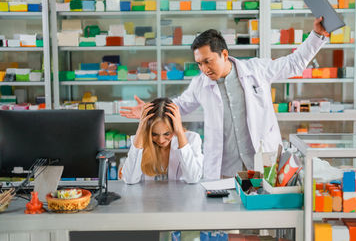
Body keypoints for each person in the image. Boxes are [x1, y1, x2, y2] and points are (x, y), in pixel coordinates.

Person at [121, 17, 328, 180]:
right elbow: (181, 106)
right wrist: (151, 109)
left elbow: (293, 63)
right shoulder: (200, 84)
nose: (204, 69)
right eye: (199, 64)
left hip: (262, 162)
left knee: (264, 218)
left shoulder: (256, 70)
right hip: (225, 170)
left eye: (207, 61)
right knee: (227, 224)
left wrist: (317, 36)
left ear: (225, 55)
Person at [122, 97, 203, 184]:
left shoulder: (192, 139)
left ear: (175, 127)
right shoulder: (140, 140)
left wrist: (180, 132)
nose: (160, 140)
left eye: (167, 134)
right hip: (148, 197)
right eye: (154, 134)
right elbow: (129, 180)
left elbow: (193, 178)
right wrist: (141, 129)